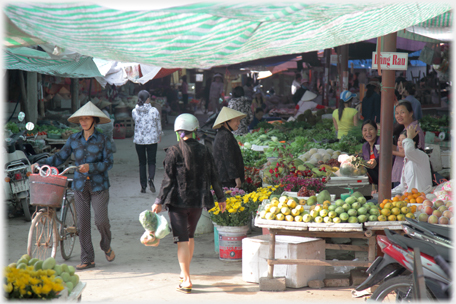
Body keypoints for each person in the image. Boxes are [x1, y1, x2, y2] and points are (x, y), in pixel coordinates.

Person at [31, 101, 115, 270]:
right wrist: (40, 163)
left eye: (86, 118)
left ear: (94, 120)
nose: (83, 122)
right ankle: (87, 258)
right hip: (79, 185)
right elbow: (60, 157)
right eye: (81, 119)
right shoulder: (73, 139)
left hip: (99, 186)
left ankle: (106, 245)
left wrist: (91, 167)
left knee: (101, 221)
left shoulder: (103, 140)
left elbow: (109, 162)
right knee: (82, 224)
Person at [151, 113, 226, 294]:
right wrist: (221, 198)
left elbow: (167, 181)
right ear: (195, 130)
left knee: (182, 240)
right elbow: (214, 176)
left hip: (178, 203)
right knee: (189, 237)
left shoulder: (173, 151)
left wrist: (158, 201)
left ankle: (186, 279)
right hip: (197, 203)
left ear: (178, 132)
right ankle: (185, 272)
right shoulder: (204, 150)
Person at [132, 90, 162, 193]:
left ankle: (143, 186)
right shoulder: (154, 111)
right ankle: (151, 179)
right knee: (152, 161)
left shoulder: (134, 111)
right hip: (152, 139)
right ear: (147, 99)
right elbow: (158, 125)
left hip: (139, 140)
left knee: (142, 163)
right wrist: (159, 135)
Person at [391, 100, 425, 187]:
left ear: (410, 113)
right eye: (397, 113)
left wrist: (390, 152)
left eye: (402, 112)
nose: (399, 116)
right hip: (401, 173)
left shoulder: (413, 130)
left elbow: (410, 153)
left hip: (408, 175)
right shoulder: (405, 129)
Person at [212, 107, 246, 188]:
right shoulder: (225, 136)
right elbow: (228, 158)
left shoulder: (224, 133)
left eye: (239, 120)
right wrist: (236, 177)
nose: (238, 123)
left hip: (225, 178)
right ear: (226, 122)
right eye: (236, 121)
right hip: (227, 180)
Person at [392, 125, 432, 194]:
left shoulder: (421, 155)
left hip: (421, 197)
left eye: (404, 141)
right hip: (410, 198)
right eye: (399, 140)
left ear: (412, 143)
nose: (400, 143)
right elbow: (403, 185)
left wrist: (409, 137)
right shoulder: (407, 160)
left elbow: (408, 150)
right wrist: (389, 192)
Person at [361, 120, 380, 185]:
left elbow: (388, 156)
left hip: (385, 179)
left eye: (371, 129)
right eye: (365, 130)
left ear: (376, 131)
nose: (368, 132)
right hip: (374, 180)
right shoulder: (365, 146)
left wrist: (376, 160)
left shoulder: (382, 141)